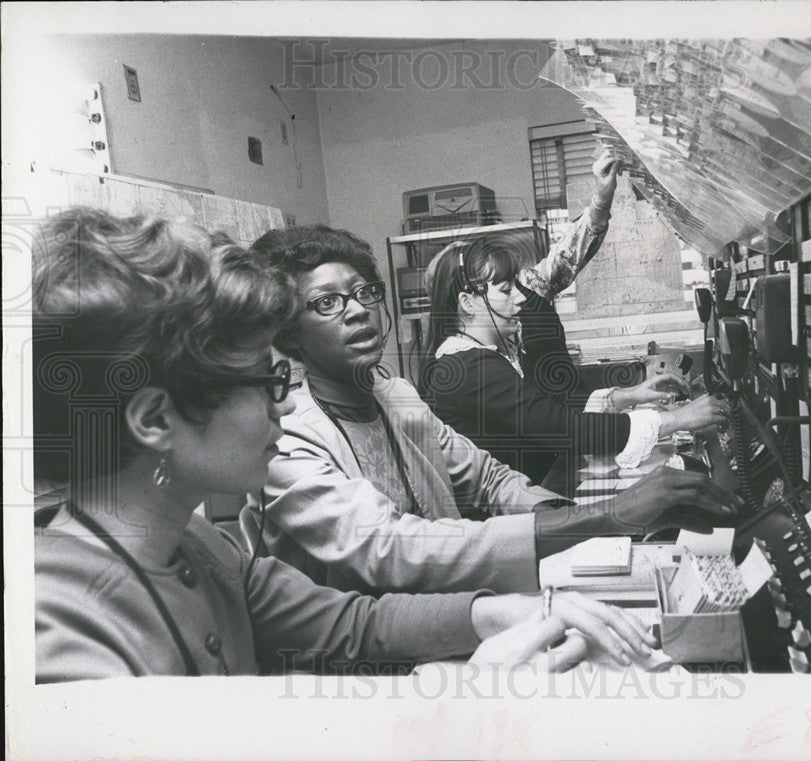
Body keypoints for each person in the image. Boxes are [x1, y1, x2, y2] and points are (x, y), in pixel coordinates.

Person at [32, 207, 658, 682]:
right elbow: (387, 553)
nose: (285, 398)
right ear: (153, 421)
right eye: (265, 379)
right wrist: (468, 704)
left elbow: (355, 621)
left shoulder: (200, 546)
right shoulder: (60, 626)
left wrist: (503, 615)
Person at [242, 222, 736, 598]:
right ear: (288, 330)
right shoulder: (284, 439)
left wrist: (585, 521)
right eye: (326, 302)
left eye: (365, 293)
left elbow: (488, 479)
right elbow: (394, 550)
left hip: (454, 609)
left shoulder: (395, 395)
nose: (356, 310)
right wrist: (607, 517)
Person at [421, 149, 728, 495]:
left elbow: (567, 255)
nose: (520, 298)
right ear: (465, 302)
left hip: (537, 479)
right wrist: (676, 420)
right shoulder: (472, 367)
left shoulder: (491, 343)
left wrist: (627, 397)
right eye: (505, 288)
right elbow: (556, 424)